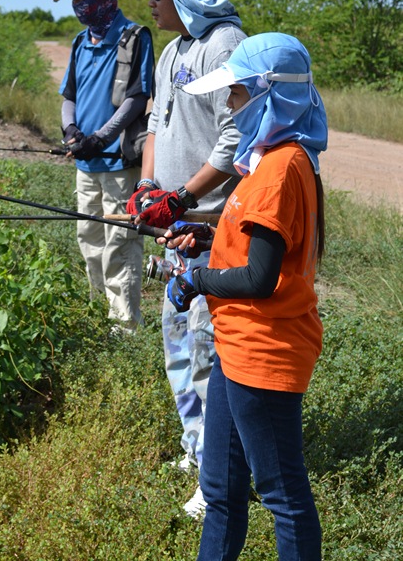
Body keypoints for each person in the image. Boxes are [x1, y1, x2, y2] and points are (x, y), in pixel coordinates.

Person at [164, 32, 328, 560]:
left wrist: (195, 280)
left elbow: (259, 280)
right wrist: (210, 238)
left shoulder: (281, 169)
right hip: (237, 348)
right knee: (221, 490)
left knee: (282, 497)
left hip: (265, 352)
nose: (229, 107)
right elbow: (258, 246)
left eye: (236, 94)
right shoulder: (270, 160)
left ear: (267, 94)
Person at [122, 0, 246, 516]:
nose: (149, 2)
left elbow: (234, 139)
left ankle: (217, 476)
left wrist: (184, 197)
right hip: (171, 225)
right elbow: (155, 125)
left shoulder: (225, 45)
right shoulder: (172, 51)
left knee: (205, 348)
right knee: (176, 342)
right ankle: (195, 445)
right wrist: (150, 188)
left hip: (209, 226)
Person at [55, 0, 154, 332]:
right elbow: (70, 96)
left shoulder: (135, 37)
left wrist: (100, 136)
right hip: (86, 162)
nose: (78, 6)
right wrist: (72, 131)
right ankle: (99, 317)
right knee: (89, 237)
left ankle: (125, 326)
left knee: (120, 242)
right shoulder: (81, 41)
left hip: (117, 162)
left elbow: (138, 98)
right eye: (74, 0)